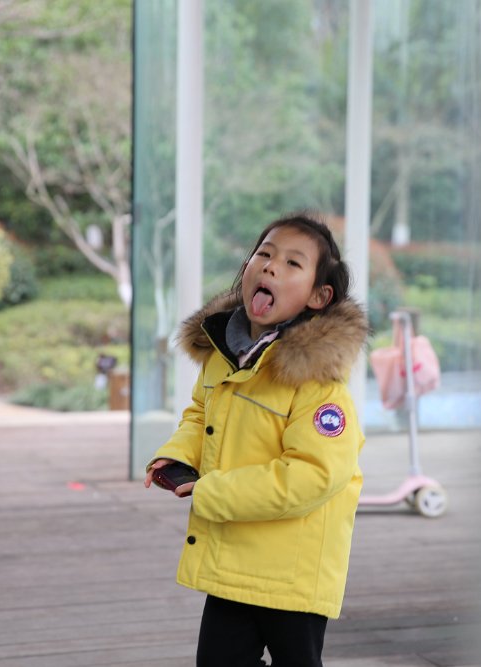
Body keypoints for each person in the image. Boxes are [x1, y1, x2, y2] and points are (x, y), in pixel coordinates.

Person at [144, 212, 370, 666]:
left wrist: (214, 492)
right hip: (232, 562)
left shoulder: (317, 383)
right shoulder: (223, 356)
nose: (270, 266)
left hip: (292, 574)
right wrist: (177, 455)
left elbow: (314, 475)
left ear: (318, 296)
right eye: (264, 254)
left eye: (292, 263)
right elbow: (200, 415)